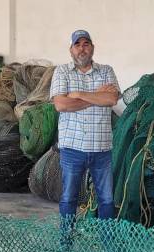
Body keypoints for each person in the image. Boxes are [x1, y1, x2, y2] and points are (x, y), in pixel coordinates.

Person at [49, 30, 120, 223]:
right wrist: (97, 96)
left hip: (101, 148)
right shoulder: (62, 71)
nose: (82, 48)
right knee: (68, 198)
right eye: (77, 44)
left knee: (107, 199)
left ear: (92, 48)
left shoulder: (106, 71)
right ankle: (66, 238)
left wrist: (78, 94)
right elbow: (61, 105)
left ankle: (107, 240)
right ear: (71, 50)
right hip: (72, 148)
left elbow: (112, 99)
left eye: (86, 44)